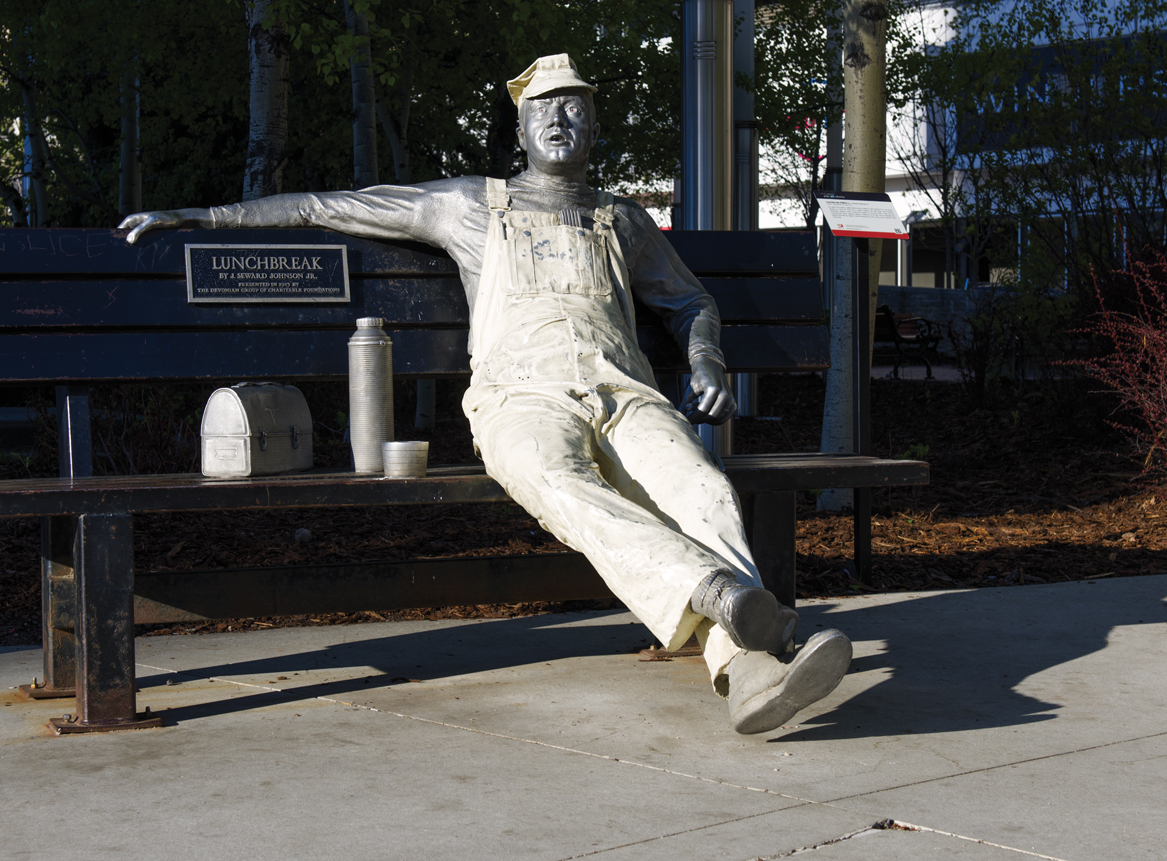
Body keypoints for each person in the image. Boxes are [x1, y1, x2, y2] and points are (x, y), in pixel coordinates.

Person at [121, 53, 852, 733]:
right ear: (522, 128)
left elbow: (690, 304)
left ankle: (750, 669)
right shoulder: (469, 205)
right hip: (520, 399)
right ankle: (732, 611)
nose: (559, 121)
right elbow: (327, 207)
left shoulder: (621, 217)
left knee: (700, 488)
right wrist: (206, 217)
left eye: (572, 108)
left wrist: (708, 363)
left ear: (595, 123)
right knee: (558, 481)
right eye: (543, 111)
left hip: (626, 393)